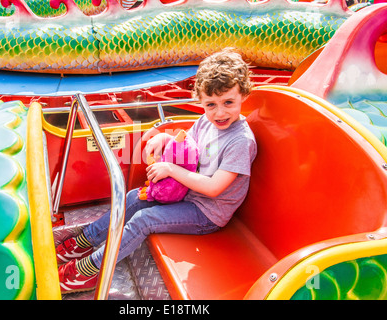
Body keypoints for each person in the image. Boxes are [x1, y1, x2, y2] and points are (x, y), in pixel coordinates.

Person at [57, 47, 257, 293]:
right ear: (201, 102)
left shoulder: (240, 141)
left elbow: (214, 188)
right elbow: (187, 144)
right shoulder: (206, 120)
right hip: (186, 195)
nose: (219, 112)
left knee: (144, 219)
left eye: (228, 102)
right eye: (211, 104)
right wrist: (165, 139)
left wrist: (171, 169)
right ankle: (86, 240)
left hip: (207, 213)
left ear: (243, 95)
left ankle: (90, 271)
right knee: (133, 197)